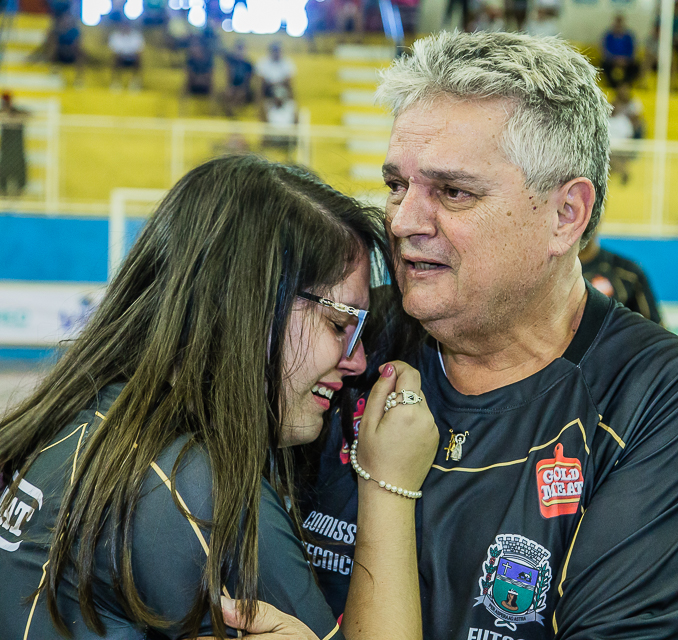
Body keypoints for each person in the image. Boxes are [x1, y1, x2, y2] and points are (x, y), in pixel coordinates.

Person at [248, 30, 678, 640]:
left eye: (453, 192)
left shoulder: (662, 400)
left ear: (567, 215)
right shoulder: (339, 345)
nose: (403, 222)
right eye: (396, 186)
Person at [0, 155, 439, 639]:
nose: (356, 361)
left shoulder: (84, 420)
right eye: (340, 324)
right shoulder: (196, 490)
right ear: (249, 307)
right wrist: (388, 487)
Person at [578, 236, 662, 323]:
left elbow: (655, 328)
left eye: (585, 221)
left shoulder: (628, 274)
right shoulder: (563, 273)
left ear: (598, 222)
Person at [0, 93, 28, 197]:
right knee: (4, 169)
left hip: (17, 147)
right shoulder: (3, 113)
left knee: (20, 168)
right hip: (6, 148)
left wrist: (13, 117)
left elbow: (28, 115)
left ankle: (19, 190)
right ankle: (3, 190)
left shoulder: (18, 112)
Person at [601, 14, 639, 88]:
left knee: (635, 67)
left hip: (626, 61)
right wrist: (614, 59)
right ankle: (612, 85)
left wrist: (625, 59)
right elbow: (605, 50)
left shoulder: (629, 36)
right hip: (612, 61)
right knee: (604, 65)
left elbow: (632, 50)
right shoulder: (608, 36)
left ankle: (627, 84)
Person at [221, 41, 255, 118]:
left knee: (241, 94)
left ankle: (235, 114)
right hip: (233, 86)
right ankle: (230, 113)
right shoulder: (231, 63)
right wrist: (230, 87)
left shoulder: (248, 65)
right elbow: (229, 78)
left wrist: (242, 89)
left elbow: (247, 81)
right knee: (228, 93)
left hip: (244, 88)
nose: (239, 51)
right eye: (238, 49)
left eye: (241, 49)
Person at [108, 22, 145, 91]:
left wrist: (132, 55)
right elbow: (114, 51)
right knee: (115, 59)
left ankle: (135, 82)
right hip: (120, 58)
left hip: (132, 58)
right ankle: (116, 82)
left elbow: (139, 50)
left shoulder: (136, 36)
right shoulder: (115, 36)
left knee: (139, 59)